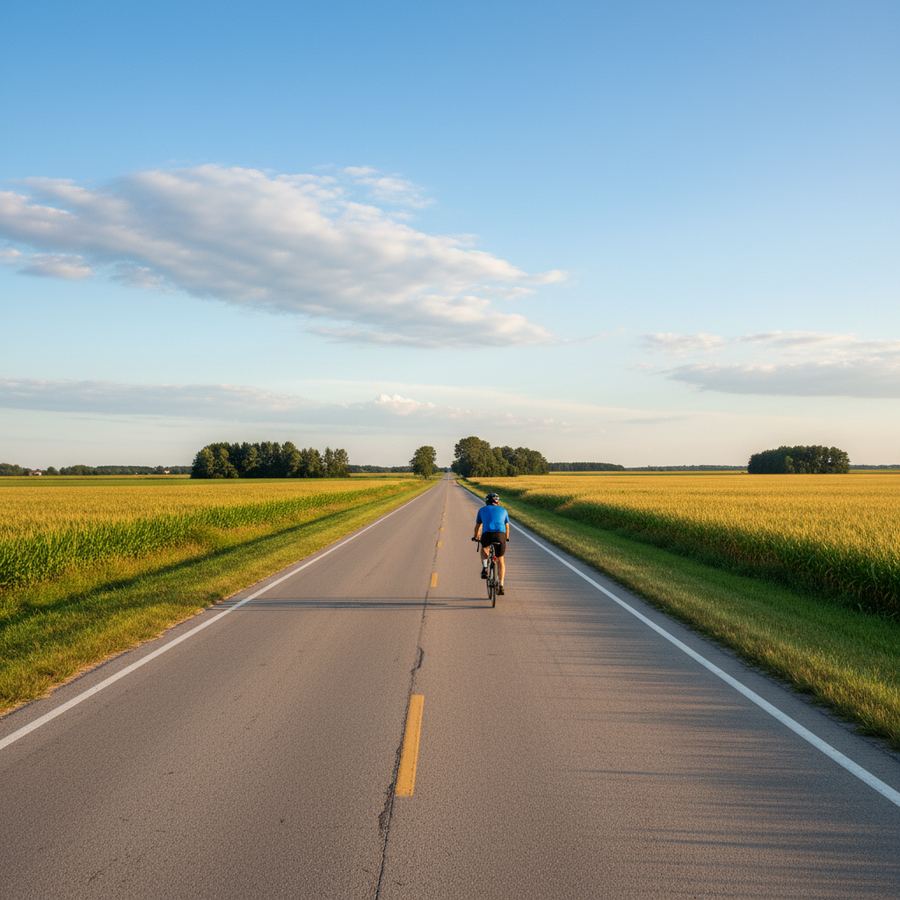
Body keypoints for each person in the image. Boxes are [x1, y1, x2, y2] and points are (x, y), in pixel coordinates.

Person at [472, 491, 510, 594]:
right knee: (501, 560)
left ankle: (485, 568)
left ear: (487, 501)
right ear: (497, 502)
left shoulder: (482, 510)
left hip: (487, 535)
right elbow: (507, 526)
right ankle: (501, 585)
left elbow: (478, 526)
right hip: (500, 535)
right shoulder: (504, 510)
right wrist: (506, 538)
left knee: (484, 549)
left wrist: (476, 536)